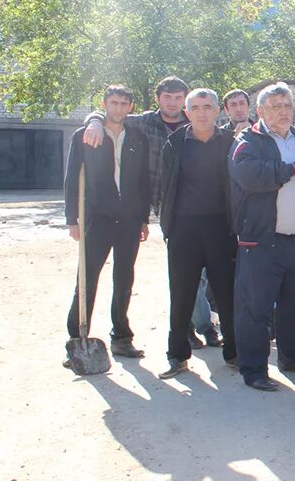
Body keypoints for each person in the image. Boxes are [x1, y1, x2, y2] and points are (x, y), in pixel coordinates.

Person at [82, 76, 219, 348]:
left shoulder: (195, 124)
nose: (172, 103)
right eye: (167, 97)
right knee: (117, 273)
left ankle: (191, 328)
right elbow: (112, 114)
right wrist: (94, 120)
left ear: (185, 100)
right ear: (158, 99)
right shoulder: (143, 122)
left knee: (186, 271)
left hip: (184, 206)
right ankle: (109, 333)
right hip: (147, 201)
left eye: (178, 98)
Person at [230, 82, 295, 391]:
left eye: (287, 105)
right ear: (260, 111)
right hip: (261, 241)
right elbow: (250, 176)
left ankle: (292, 357)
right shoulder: (248, 141)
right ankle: (253, 369)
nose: (283, 111)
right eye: (275, 106)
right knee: (256, 308)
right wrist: (292, 169)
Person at [64, 85, 150, 363]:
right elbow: (70, 180)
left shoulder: (138, 138)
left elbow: (143, 182)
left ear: (131, 107)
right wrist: (72, 220)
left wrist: (143, 218)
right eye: (113, 103)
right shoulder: (86, 136)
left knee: (124, 279)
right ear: (104, 104)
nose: (118, 108)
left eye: (124, 103)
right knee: (86, 279)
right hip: (97, 218)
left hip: (129, 219)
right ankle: (77, 338)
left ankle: (122, 338)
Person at [156, 88, 238, 379]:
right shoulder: (175, 143)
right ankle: (177, 355)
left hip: (221, 229)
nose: (202, 113)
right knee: (181, 295)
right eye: (196, 107)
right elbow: (164, 187)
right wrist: (167, 227)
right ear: (186, 112)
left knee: (227, 295)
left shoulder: (231, 142)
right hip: (184, 230)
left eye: (208, 107)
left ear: (218, 111)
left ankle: (234, 353)